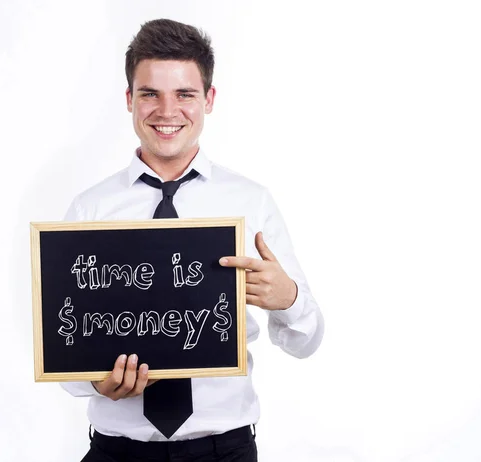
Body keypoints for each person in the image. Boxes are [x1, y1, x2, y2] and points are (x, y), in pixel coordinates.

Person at [61, 18, 324, 462]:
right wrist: (94, 382)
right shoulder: (90, 210)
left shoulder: (251, 202)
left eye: (184, 94)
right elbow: (63, 350)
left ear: (209, 99)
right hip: (117, 454)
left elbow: (307, 340)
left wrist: (289, 298)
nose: (167, 111)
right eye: (150, 94)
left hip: (226, 451)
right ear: (129, 100)